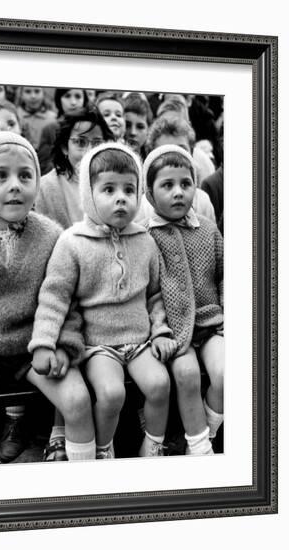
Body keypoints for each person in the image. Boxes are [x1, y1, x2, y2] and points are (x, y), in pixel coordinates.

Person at [29, 142, 177, 459]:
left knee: (159, 384)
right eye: (108, 189)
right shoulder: (73, 242)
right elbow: (55, 297)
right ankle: (102, 449)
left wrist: (161, 330)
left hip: (139, 341)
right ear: (88, 193)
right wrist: (44, 342)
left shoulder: (145, 240)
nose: (120, 197)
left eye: (128, 189)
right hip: (98, 345)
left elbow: (155, 294)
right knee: (111, 393)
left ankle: (153, 446)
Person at [0, 131, 96, 462]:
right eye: (0, 175)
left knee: (76, 400)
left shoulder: (52, 235)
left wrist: (62, 345)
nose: (15, 185)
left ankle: (85, 480)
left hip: (34, 344)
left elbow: (66, 301)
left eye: (25, 175)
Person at [142, 144, 224, 455]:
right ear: (149, 194)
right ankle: (199, 447)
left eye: (185, 184)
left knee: (227, 373)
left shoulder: (208, 230)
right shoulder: (146, 237)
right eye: (167, 185)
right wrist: (159, 331)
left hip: (211, 320)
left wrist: (230, 315)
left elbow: (225, 274)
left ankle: (211, 430)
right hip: (175, 333)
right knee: (187, 375)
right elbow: (148, 294)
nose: (178, 192)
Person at [36, 107, 114, 230]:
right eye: (80, 142)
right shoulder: (45, 187)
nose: (89, 151)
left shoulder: (115, 182)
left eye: (97, 143)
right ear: (65, 147)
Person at [137, 114, 216, 222]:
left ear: (192, 153)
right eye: (165, 153)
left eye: (181, 150)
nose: (174, 158)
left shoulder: (202, 201)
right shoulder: (143, 207)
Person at [37, 88, 89, 175]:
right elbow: (44, 165)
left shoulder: (91, 128)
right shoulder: (50, 129)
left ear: (84, 100)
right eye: (67, 96)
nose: (73, 102)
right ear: (59, 99)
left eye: (78, 96)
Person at [123, 94, 153, 161]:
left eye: (140, 127)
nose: (133, 132)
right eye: (127, 125)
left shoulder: (153, 163)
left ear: (148, 130)